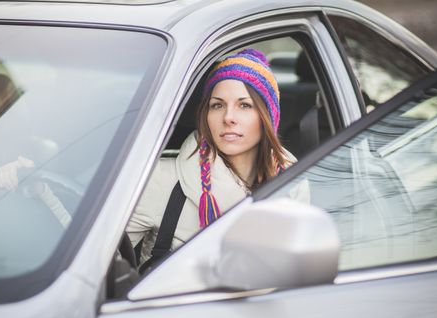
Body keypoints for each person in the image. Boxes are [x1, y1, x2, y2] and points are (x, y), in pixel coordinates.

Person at [127, 48, 309, 267]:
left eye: (244, 105)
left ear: (267, 117)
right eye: (217, 105)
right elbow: (103, 264)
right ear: (206, 115)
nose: (228, 117)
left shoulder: (292, 183)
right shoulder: (160, 179)